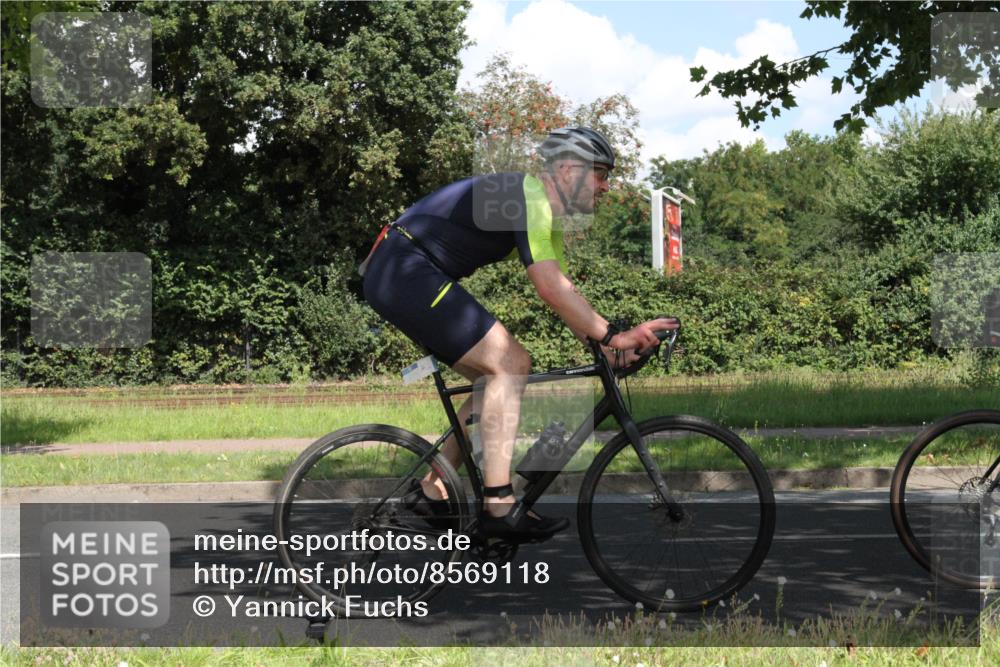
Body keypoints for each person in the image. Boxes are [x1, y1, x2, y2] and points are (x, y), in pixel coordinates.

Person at [361, 126, 677, 541]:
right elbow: (551, 288)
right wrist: (614, 337)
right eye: (600, 174)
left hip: (402, 271)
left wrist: (607, 347)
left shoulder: (546, 216)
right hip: (404, 269)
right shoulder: (527, 197)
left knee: (493, 381)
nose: (605, 187)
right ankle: (498, 504)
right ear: (568, 170)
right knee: (511, 363)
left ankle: (432, 490)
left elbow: (563, 294)